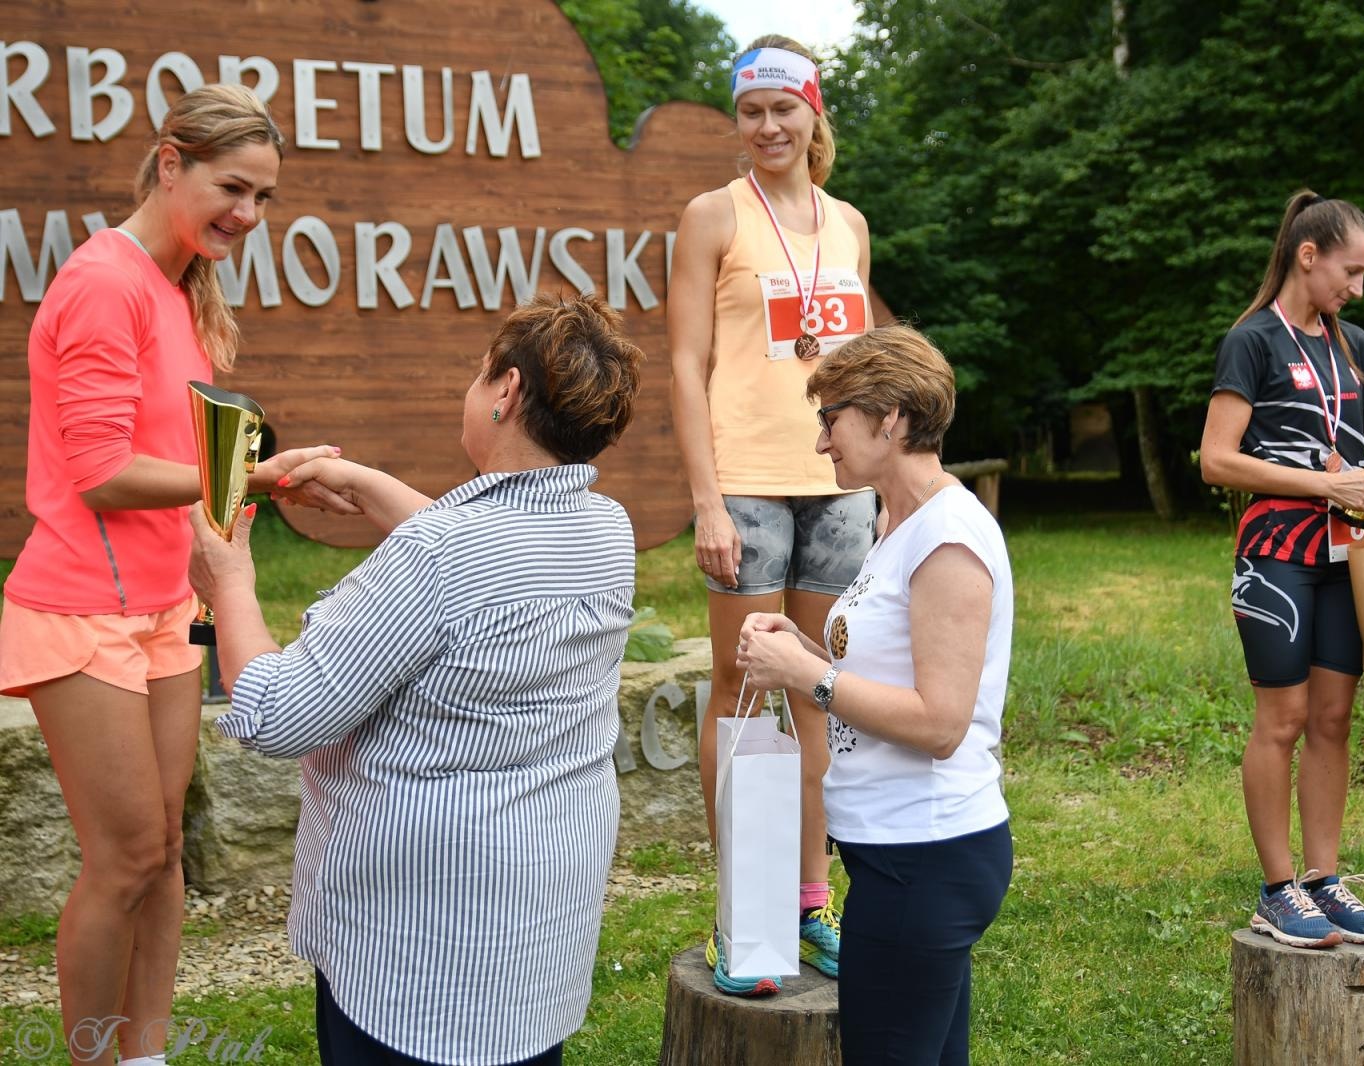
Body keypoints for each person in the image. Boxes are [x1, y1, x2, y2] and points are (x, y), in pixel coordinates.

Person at [187, 293, 643, 1066]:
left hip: (422, 960)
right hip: (537, 939)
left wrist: (228, 578)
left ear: (506, 392)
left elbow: (275, 712)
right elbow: (488, 560)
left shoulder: (437, 557)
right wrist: (368, 484)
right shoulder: (606, 529)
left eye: (477, 376)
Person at [0, 84, 347, 1065]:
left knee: (162, 864)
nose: (248, 213)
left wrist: (263, 484)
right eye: (233, 186)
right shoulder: (104, 280)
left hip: (163, 608)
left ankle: (143, 1056)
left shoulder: (178, 282)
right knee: (122, 863)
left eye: (266, 197)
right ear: (170, 162)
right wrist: (259, 472)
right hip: (82, 610)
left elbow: (181, 463)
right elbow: (103, 473)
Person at [737, 325, 1013, 1064]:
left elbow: (942, 722)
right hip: (903, 858)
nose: (822, 442)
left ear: (890, 417)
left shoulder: (947, 538)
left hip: (927, 858)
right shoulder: (901, 526)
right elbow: (888, 671)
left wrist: (808, 677)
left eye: (830, 419)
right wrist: (799, 648)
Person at [667, 34, 876, 996]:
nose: (767, 127)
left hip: (839, 485)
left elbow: (867, 368)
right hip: (746, 485)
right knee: (738, 691)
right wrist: (706, 498)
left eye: (783, 108)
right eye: (750, 112)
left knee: (817, 692)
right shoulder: (712, 217)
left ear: (813, 113)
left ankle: (807, 902)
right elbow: (685, 364)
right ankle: (739, 910)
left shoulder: (850, 224)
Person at [1199, 190, 1364, 950]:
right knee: (1284, 720)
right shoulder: (1252, 341)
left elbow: (1350, 460)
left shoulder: (1354, 345)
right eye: (1352, 270)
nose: (1359, 288)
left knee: (1335, 720)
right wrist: (1322, 487)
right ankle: (1277, 891)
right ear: (1309, 256)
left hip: (1349, 555)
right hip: (1276, 557)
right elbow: (1215, 459)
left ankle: (1323, 881)